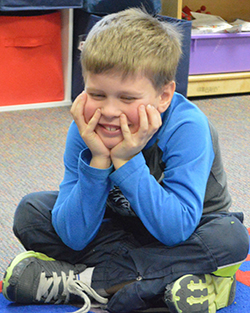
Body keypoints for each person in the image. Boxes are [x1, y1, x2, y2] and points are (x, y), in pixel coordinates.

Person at [2, 8, 249, 313]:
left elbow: (176, 229)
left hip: (186, 231)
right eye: (97, 94)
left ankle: (87, 281)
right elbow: (74, 235)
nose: (108, 111)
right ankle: (162, 283)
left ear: (164, 96)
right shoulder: (86, 128)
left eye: (127, 98)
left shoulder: (189, 128)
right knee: (31, 212)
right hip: (121, 231)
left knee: (230, 238)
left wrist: (128, 160)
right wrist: (98, 161)